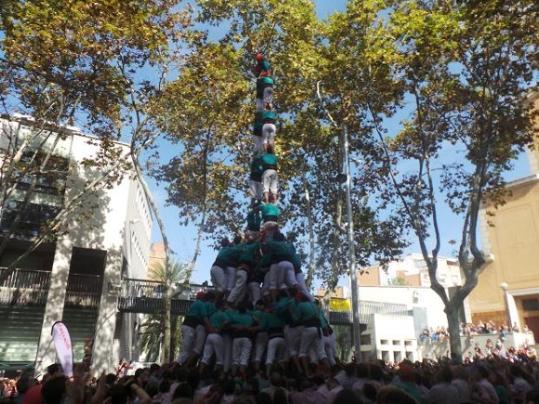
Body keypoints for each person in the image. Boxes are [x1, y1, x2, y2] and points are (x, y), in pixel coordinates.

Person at [178, 291, 211, 366]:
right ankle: (177, 366)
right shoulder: (201, 304)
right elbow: (205, 317)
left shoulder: (194, 304)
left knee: (187, 349)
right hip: (190, 327)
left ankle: (181, 365)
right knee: (186, 351)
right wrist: (210, 328)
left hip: (186, 326)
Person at [199, 300, 228, 375]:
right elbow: (227, 321)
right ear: (222, 306)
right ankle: (216, 376)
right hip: (217, 336)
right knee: (220, 359)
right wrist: (220, 328)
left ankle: (199, 373)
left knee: (205, 358)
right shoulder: (222, 314)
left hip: (209, 336)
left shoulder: (212, 315)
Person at [229, 301, 255, 376]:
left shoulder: (234, 316)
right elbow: (253, 324)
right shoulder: (249, 317)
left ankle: (233, 377)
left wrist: (236, 326)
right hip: (246, 337)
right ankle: (241, 378)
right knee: (244, 360)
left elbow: (229, 325)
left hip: (236, 338)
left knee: (235, 360)